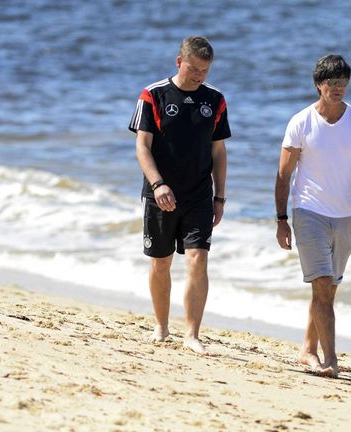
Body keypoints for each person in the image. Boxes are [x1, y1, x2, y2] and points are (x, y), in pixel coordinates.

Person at [275, 54, 351, 378]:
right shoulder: (301, 122)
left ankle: (307, 350)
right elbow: (283, 174)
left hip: (346, 215)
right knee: (321, 284)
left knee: (328, 289)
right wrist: (281, 218)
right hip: (309, 212)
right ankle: (330, 359)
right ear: (319, 85)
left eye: (343, 82)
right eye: (332, 83)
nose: (338, 88)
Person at [129, 36, 230, 355]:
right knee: (161, 263)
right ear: (179, 62)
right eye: (194, 68)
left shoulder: (215, 99)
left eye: (205, 70)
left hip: (199, 195)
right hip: (160, 194)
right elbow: (142, 147)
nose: (200, 75)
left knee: (199, 260)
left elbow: (219, 151)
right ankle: (161, 327)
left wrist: (220, 197)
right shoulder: (153, 94)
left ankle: (193, 334)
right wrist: (158, 184)